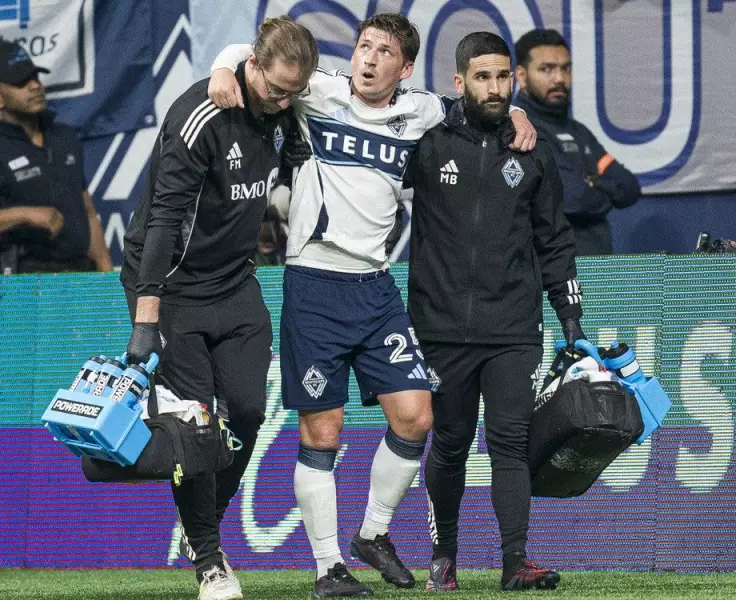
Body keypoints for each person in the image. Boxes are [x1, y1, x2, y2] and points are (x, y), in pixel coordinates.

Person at [207, 13, 536, 598]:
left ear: (404, 68)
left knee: (416, 416)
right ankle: (328, 566)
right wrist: (219, 71)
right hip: (314, 282)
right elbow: (246, 50)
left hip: (376, 287)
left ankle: (373, 533)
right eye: (364, 46)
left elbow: (477, 104)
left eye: (384, 52)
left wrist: (519, 113)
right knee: (323, 429)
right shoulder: (318, 90)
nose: (369, 58)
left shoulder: (423, 111)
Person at [119, 16, 318, 600]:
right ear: (252, 65)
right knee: (195, 424)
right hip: (172, 286)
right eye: (275, 90)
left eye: (294, 93)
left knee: (250, 411)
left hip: (234, 283)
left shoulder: (285, 107)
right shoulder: (201, 115)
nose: (283, 102)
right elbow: (162, 221)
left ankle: (202, 522)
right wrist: (146, 321)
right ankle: (210, 561)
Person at [404, 32, 585, 592]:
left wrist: (569, 312)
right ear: (459, 82)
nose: (495, 87)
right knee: (450, 443)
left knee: (510, 441)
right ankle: (444, 557)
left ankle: (515, 562)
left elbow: (553, 237)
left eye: (503, 76)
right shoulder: (426, 142)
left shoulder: (533, 150)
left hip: (513, 326)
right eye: (482, 77)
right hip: (440, 326)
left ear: (514, 79)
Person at [0, 41, 111, 274]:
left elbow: (87, 211)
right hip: (20, 286)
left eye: (35, 77)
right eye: (21, 82)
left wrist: (107, 275)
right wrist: (24, 215)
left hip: (75, 281)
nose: (35, 86)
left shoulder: (64, 137)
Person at [513, 29, 641, 256]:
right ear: (522, 77)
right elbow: (576, 198)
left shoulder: (580, 132)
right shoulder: (521, 129)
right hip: (549, 271)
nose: (559, 79)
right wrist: (597, 184)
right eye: (546, 69)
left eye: (566, 68)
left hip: (598, 268)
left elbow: (628, 188)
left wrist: (592, 182)